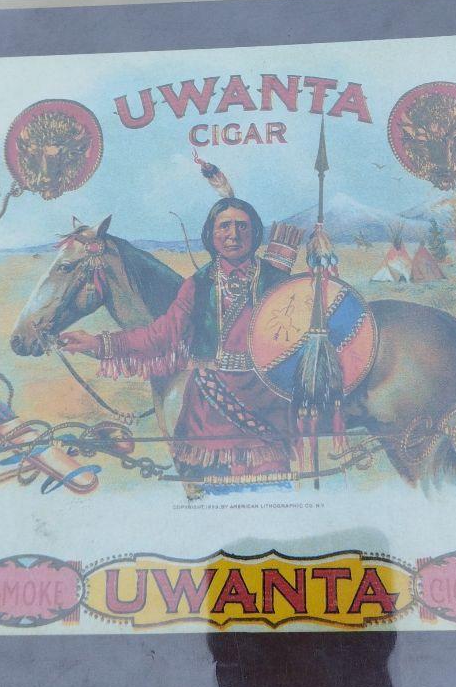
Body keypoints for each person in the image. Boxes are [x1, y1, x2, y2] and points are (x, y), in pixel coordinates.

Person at [59, 198, 292, 481]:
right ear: (211, 234)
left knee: (270, 489)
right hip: (207, 409)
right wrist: (98, 344)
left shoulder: (278, 282)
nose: (233, 235)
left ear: (255, 233)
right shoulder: (197, 284)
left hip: (266, 407)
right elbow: (161, 335)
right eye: (224, 226)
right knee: (208, 492)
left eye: (242, 226)